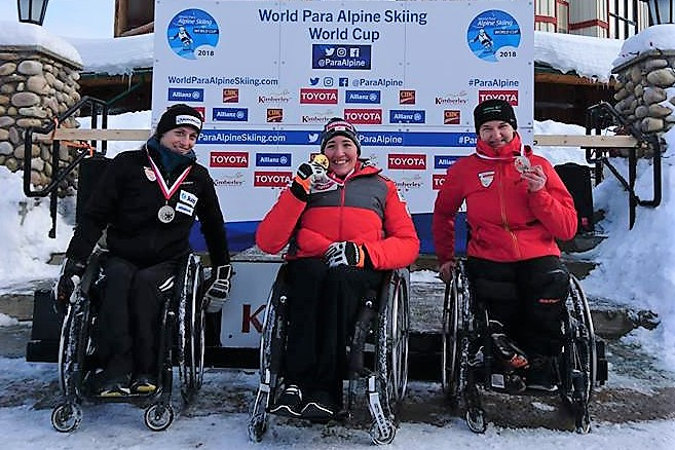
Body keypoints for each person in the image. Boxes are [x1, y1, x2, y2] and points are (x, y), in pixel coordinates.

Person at [55, 104, 232, 397]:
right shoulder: (127, 164)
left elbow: (214, 227)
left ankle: (147, 371)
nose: (185, 142)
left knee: (146, 285)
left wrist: (222, 270)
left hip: (169, 261)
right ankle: (115, 371)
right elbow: (95, 216)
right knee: (117, 280)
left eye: (192, 136)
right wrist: (76, 261)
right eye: (179, 133)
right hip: (123, 255)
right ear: (162, 132)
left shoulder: (197, 176)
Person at [256, 118, 419, 420]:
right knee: (311, 275)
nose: (339, 153)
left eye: (346, 145)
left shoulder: (382, 187)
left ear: (358, 150)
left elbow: (408, 244)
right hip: (312, 266)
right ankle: (293, 385)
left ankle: (324, 390)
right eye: (331, 146)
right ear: (322, 153)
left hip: (359, 269)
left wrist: (362, 253)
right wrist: (298, 191)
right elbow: (268, 241)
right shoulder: (306, 184)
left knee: (339, 279)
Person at [432, 99, 577, 392]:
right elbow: (444, 214)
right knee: (495, 295)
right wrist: (445, 258)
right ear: (478, 133)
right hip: (489, 252)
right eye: (487, 128)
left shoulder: (539, 166)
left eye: (502, 127)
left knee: (548, 286)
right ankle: (502, 356)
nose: (495, 135)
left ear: (513, 128)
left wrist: (539, 193)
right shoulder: (464, 170)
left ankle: (540, 362)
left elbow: (567, 228)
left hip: (538, 252)